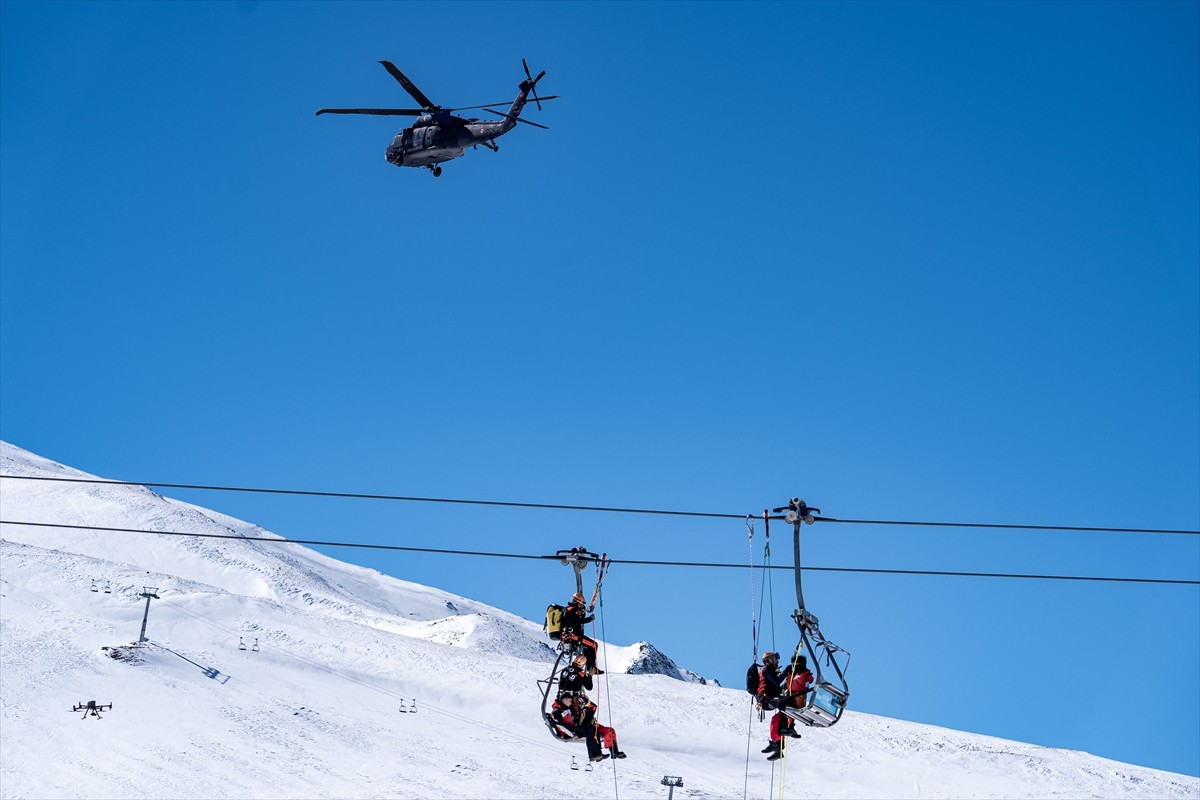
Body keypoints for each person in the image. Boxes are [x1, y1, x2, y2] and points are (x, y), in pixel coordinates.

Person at [762, 652, 809, 760]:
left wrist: (788, 673)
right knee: (777, 717)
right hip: (781, 700)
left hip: (791, 701)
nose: (776, 661)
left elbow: (791, 684)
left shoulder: (801, 675)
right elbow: (780, 683)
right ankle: (779, 743)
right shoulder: (767, 670)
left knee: (779, 714)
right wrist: (787, 673)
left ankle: (782, 738)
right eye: (773, 659)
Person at [549, 692, 607, 762]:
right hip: (568, 731)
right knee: (589, 731)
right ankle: (592, 755)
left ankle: (598, 753)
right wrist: (572, 735)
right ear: (565, 699)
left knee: (593, 728)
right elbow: (560, 726)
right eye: (570, 701)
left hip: (573, 727)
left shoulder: (566, 707)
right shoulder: (556, 711)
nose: (571, 703)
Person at [560, 593, 603, 675]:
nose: (581, 606)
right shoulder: (572, 610)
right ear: (576, 602)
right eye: (581, 604)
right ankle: (591, 668)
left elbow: (578, 618)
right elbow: (578, 620)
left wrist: (585, 611)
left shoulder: (569, 609)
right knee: (594, 645)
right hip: (573, 637)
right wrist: (590, 619)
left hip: (571, 636)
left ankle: (589, 666)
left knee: (589, 647)